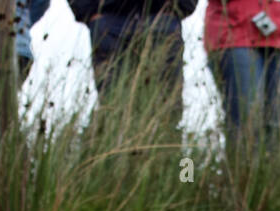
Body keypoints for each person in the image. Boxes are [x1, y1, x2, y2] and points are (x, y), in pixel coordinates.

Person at [67, 0, 193, 128]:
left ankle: (164, 145)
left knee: (166, 111)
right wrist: (88, 10)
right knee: (114, 110)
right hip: (109, 22)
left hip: (163, 19)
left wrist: (180, 5)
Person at [204, 0, 280, 153]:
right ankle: (242, 175)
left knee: (277, 127)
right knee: (246, 122)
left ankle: (273, 175)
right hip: (234, 33)